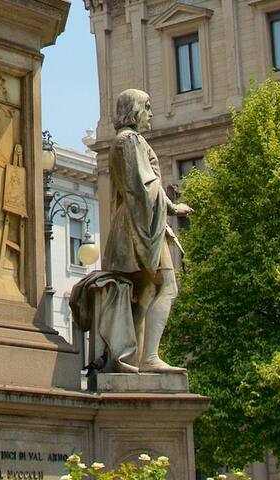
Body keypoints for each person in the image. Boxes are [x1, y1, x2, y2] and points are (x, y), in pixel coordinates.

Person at [99, 89, 189, 373]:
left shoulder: (122, 142)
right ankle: (148, 357)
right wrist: (172, 209)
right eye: (147, 107)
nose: (151, 113)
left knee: (144, 294)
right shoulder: (130, 140)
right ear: (135, 110)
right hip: (138, 224)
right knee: (168, 287)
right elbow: (143, 185)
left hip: (132, 221)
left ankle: (134, 358)